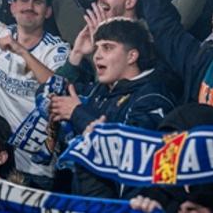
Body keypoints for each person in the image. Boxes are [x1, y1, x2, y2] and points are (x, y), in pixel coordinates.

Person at [49, 17, 175, 198]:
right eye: (97, 47)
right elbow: (49, 90)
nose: (97, 55)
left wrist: (77, 113)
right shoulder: (101, 90)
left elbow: (133, 155)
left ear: (132, 56)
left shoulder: (152, 99)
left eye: (107, 47)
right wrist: (76, 54)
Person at [0, 0, 70, 189]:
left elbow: (55, 84)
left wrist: (20, 50)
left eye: (38, 2)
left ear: (47, 12)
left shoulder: (57, 50)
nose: (29, 6)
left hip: (38, 167)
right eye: (24, 0)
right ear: (13, 7)